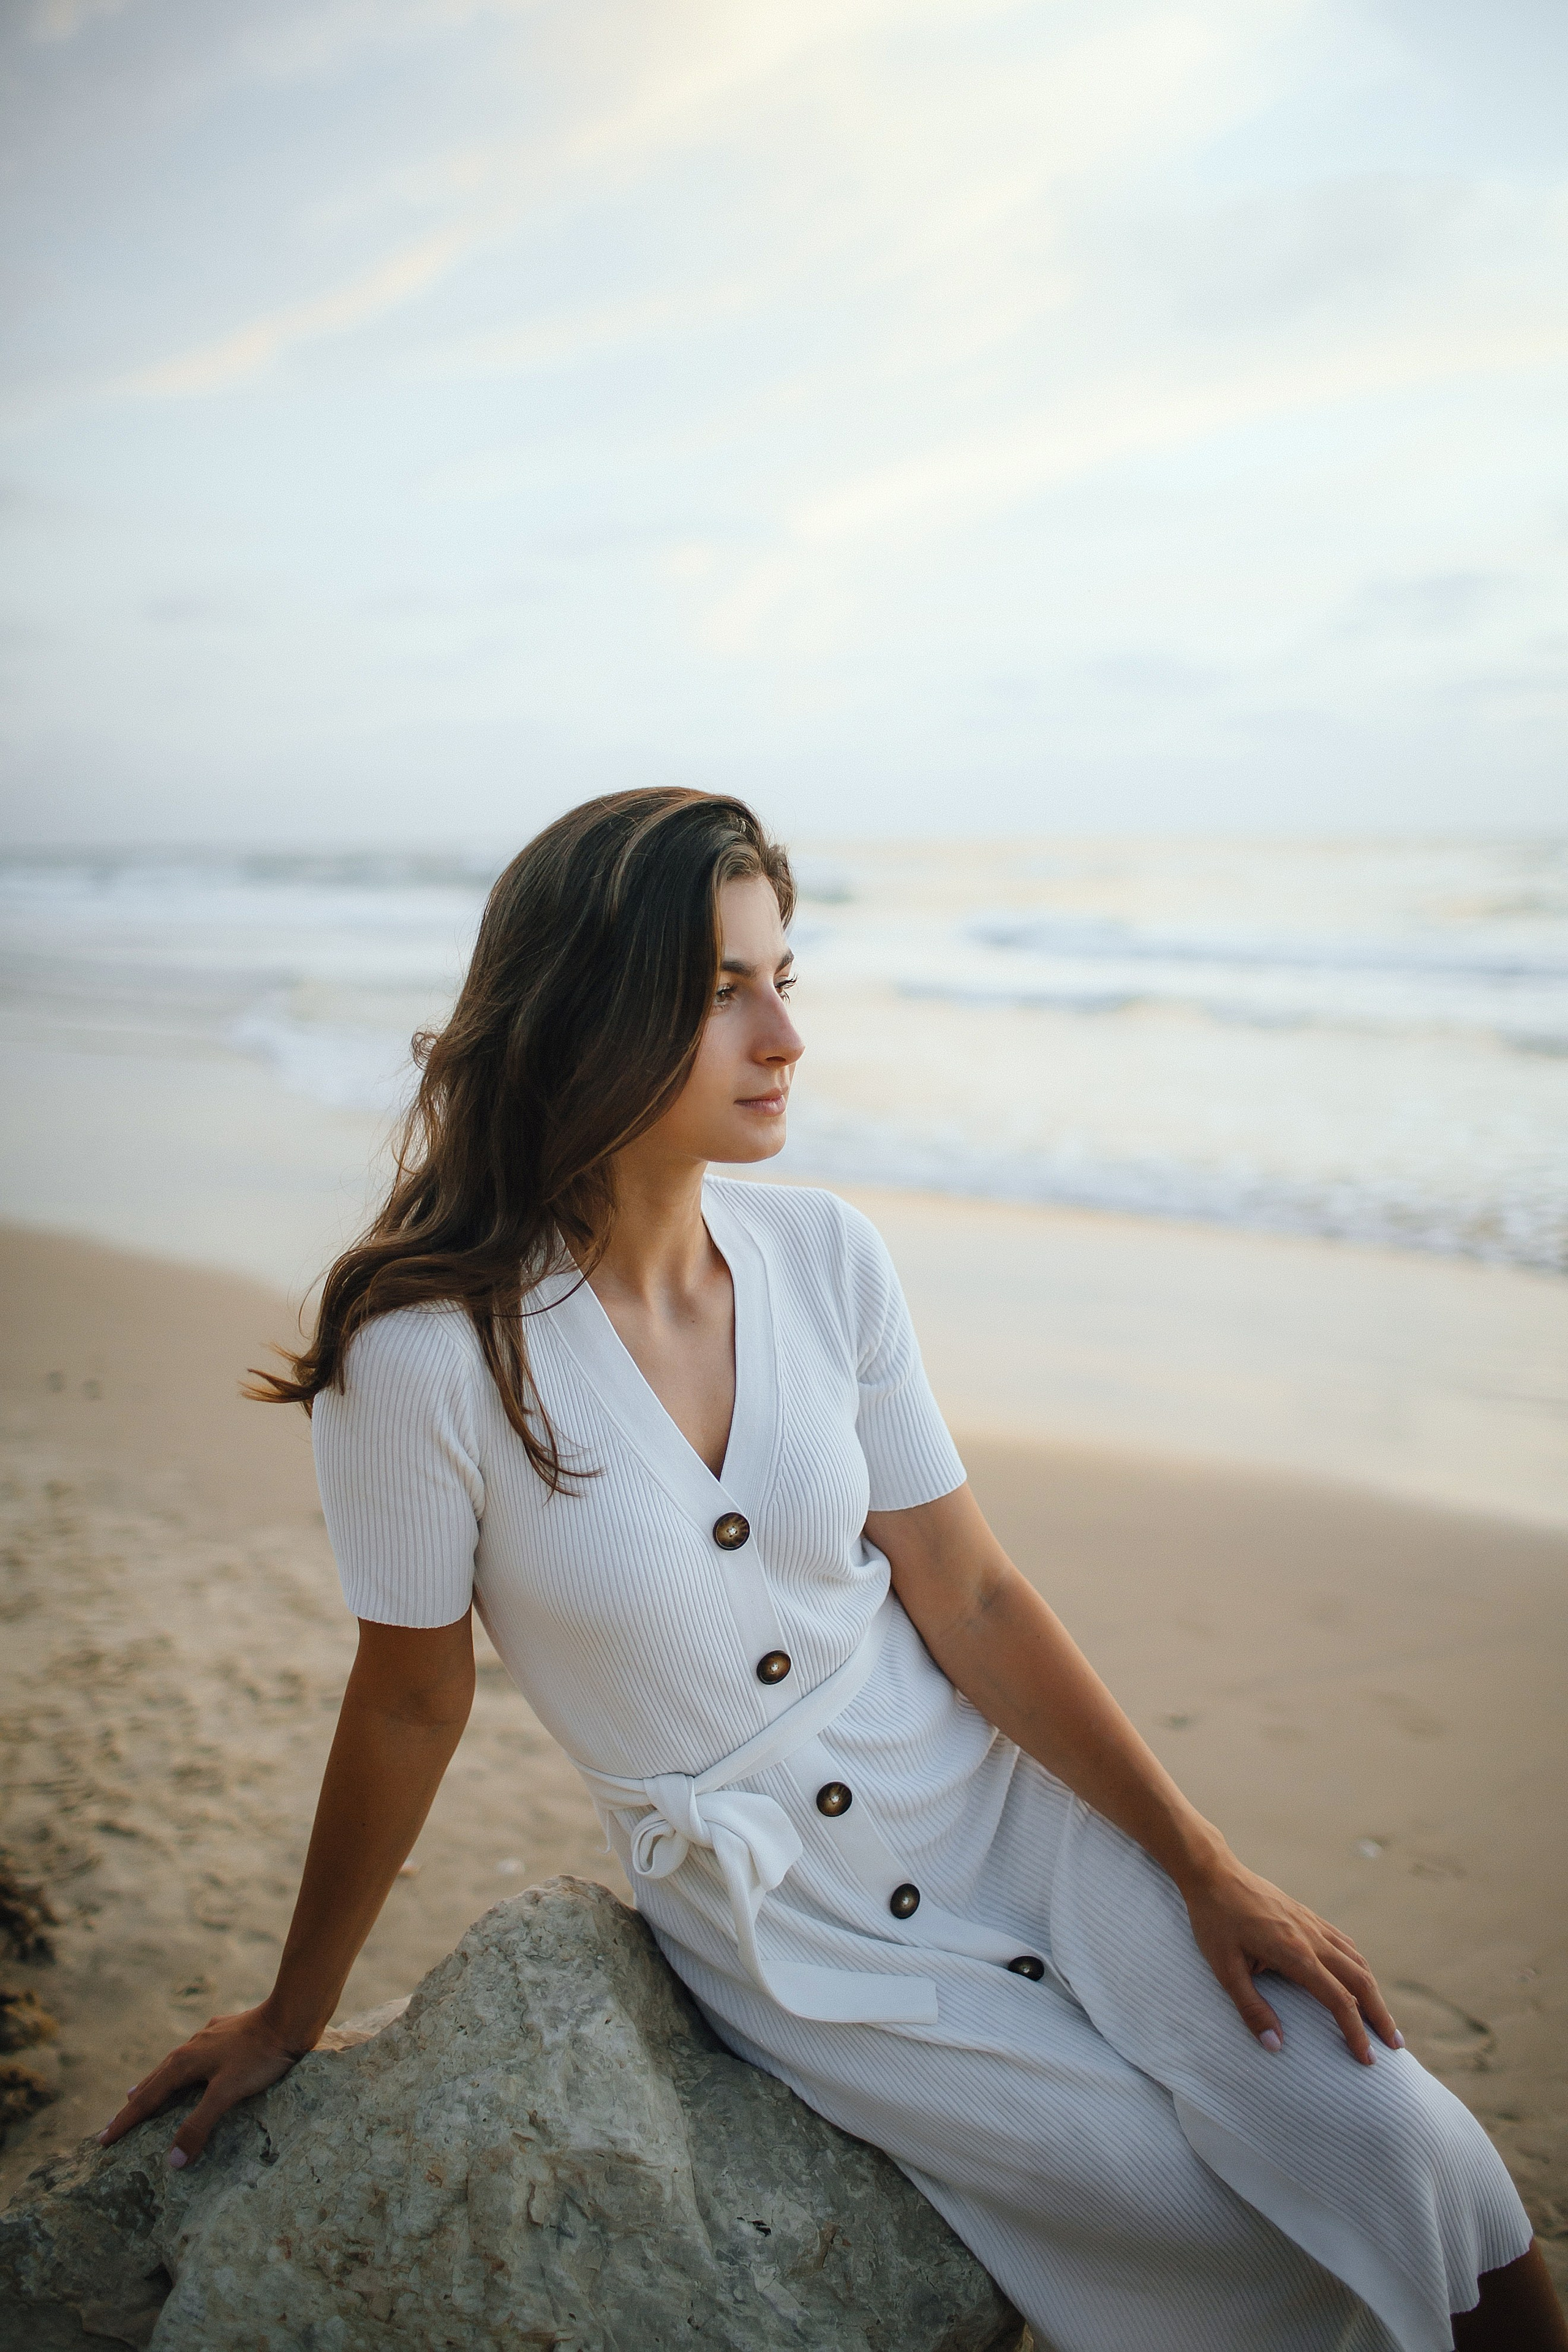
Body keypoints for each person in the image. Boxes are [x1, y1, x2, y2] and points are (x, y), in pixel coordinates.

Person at [101, 790, 1561, 2352]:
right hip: (792, 1937)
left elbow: (969, 1592)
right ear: (589, 1005)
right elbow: (407, 1700)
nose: (782, 1034)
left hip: (1006, 1813)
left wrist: (1201, 1865)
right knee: (1178, 2206)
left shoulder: (827, 1256)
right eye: (722, 991)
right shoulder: (426, 1349)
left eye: (784, 978)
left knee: (1396, 2142)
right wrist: (293, 2013)